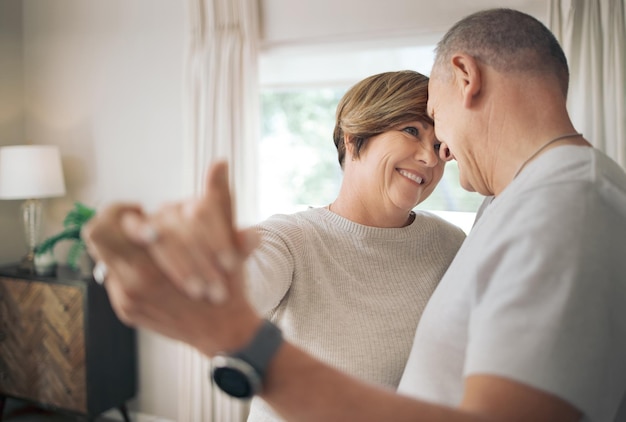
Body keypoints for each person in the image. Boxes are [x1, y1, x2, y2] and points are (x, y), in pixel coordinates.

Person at [84, 7, 626, 422]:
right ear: (353, 137)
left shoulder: (560, 208)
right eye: (416, 128)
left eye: (437, 133)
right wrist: (178, 266)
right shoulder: (510, 206)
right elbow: (247, 271)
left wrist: (252, 349)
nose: (439, 154)